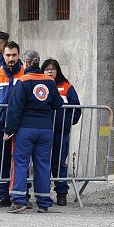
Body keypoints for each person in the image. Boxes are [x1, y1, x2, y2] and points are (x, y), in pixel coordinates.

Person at [4, 50, 63, 213]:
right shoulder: (49, 81)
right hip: (45, 129)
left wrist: (9, 130)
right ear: (38, 63)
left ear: (26, 63)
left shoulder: (22, 81)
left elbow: (15, 109)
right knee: (43, 165)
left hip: (25, 129)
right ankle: (43, 202)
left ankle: (19, 200)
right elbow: (58, 104)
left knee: (21, 164)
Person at [0, 41, 24, 208]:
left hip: (21, 125)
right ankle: (3, 195)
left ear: (19, 55)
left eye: (14, 55)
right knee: (0, 161)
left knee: (20, 161)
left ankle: (22, 194)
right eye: (8, 55)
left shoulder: (25, 74)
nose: (11, 58)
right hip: (0, 124)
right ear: (3, 55)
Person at [42, 58, 82, 206]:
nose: (50, 71)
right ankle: (44, 193)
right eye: (47, 69)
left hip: (60, 132)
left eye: (53, 69)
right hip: (44, 131)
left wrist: (67, 123)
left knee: (59, 163)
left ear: (58, 71)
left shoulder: (66, 87)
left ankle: (61, 193)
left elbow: (76, 108)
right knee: (43, 163)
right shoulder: (40, 86)